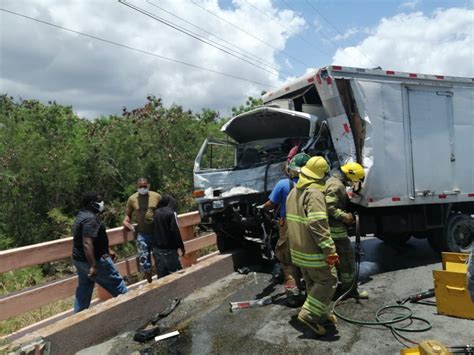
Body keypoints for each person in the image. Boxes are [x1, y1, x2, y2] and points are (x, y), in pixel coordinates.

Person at [286, 156, 339, 336]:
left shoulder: (294, 191)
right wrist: (329, 249)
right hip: (313, 251)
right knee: (328, 281)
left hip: (298, 251)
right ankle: (309, 315)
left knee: (312, 282)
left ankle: (320, 315)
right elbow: (317, 224)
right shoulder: (314, 193)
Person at [261, 153, 310, 304]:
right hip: (309, 225)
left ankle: (293, 294)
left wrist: (262, 208)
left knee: (287, 259)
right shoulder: (314, 185)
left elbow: (270, 204)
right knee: (309, 257)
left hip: (289, 226)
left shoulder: (283, 184)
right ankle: (313, 292)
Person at [72, 192, 128, 313]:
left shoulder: (81, 216)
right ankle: (134, 311)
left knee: (84, 290)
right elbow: (87, 243)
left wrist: (107, 249)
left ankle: (76, 320)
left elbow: (94, 238)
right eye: (99, 201)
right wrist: (93, 265)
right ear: (91, 204)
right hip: (95, 260)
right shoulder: (90, 219)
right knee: (118, 287)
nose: (102, 204)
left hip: (79, 260)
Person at [324, 162, 369, 300]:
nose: (353, 182)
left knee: (338, 260)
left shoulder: (334, 181)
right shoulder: (336, 185)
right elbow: (329, 206)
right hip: (335, 229)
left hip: (332, 229)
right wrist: (346, 217)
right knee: (348, 260)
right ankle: (350, 289)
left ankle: (342, 286)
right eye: (354, 179)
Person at [123, 178, 161, 283]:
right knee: (144, 260)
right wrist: (126, 222)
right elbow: (128, 214)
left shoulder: (156, 196)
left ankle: (162, 280)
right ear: (137, 187)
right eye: (140, 186)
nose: (143, 188)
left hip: (156, 233)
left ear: (148, 185)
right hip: (142, 234)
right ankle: (149, 282)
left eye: (144, 186)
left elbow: (162, 211)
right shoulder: (132, 199)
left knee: (159, 258)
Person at [152, 194, 185, 278]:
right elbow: (175, 231)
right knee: (177, 275)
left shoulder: (155, 213)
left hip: (157, 250)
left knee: (162, 277)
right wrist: (181, 246)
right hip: (170, 250)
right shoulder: (171, 213)